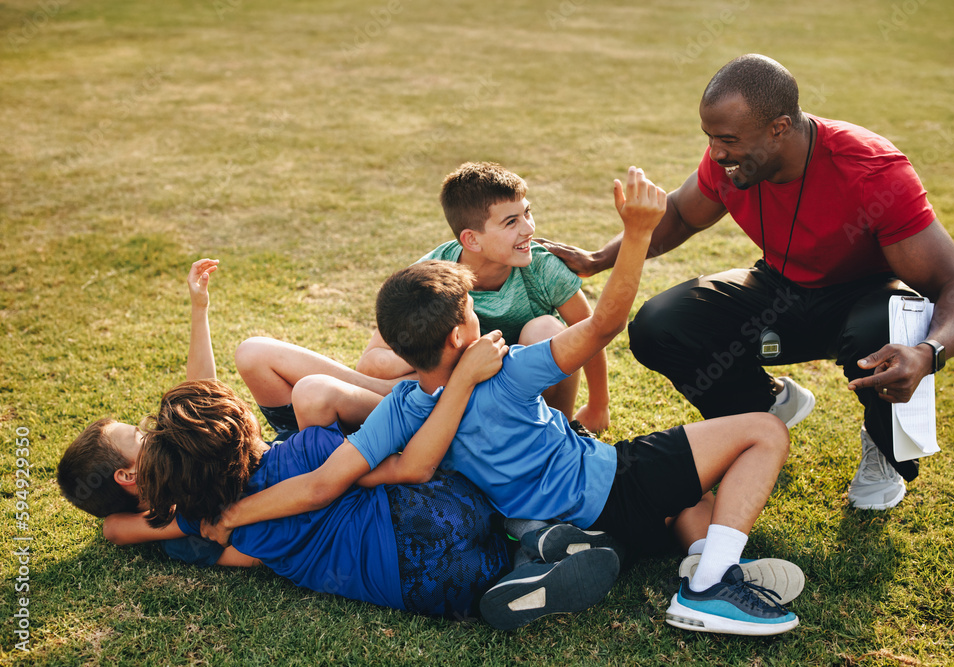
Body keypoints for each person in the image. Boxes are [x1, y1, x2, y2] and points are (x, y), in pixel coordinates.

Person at [200, 167, 805, 636]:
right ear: (463, 334)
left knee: (692, 502)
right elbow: (601, 328)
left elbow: (349, 480)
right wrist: (639, 234)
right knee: (761, 433)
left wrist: (233, 516)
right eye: (472, 312)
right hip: (613, 482)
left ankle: (693, 550)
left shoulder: (403, 412)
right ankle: (711, 584)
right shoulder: (508, 375)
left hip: (579, 514)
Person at [59, 259, 618, 626]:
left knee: (415, 508)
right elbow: (391, 473)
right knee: (436, 485)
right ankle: (527, 537)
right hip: (445, 511)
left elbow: (230, 553)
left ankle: (519, 562)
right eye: (140, 436)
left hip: (438, 588)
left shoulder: (195, 523)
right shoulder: (306, 451)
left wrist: (235, 525)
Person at [539, 54, 954, 511]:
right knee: (659, 324)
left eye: (727, 140)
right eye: (710, 138)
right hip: (781, 287)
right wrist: (597, 259)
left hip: (864, 296)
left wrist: (928, 353)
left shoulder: (871, 170)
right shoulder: (731, 164)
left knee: (882, 329)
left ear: (779, 127)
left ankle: (884, 449)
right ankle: (762, 408)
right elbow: (678, 215)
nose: (716, 154)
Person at [356, 161, 611, 435]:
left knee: (545, 329)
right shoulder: (431, 277)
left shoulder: (544, 268)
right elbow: (371, 363)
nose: (528, 229)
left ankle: (552, 432)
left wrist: (598, 406)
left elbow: (590, 333)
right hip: (463, 389)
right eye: (511, 222)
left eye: (527, 213)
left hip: (528, 391)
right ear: (472, 240)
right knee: (395, 367)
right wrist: (453, 359)